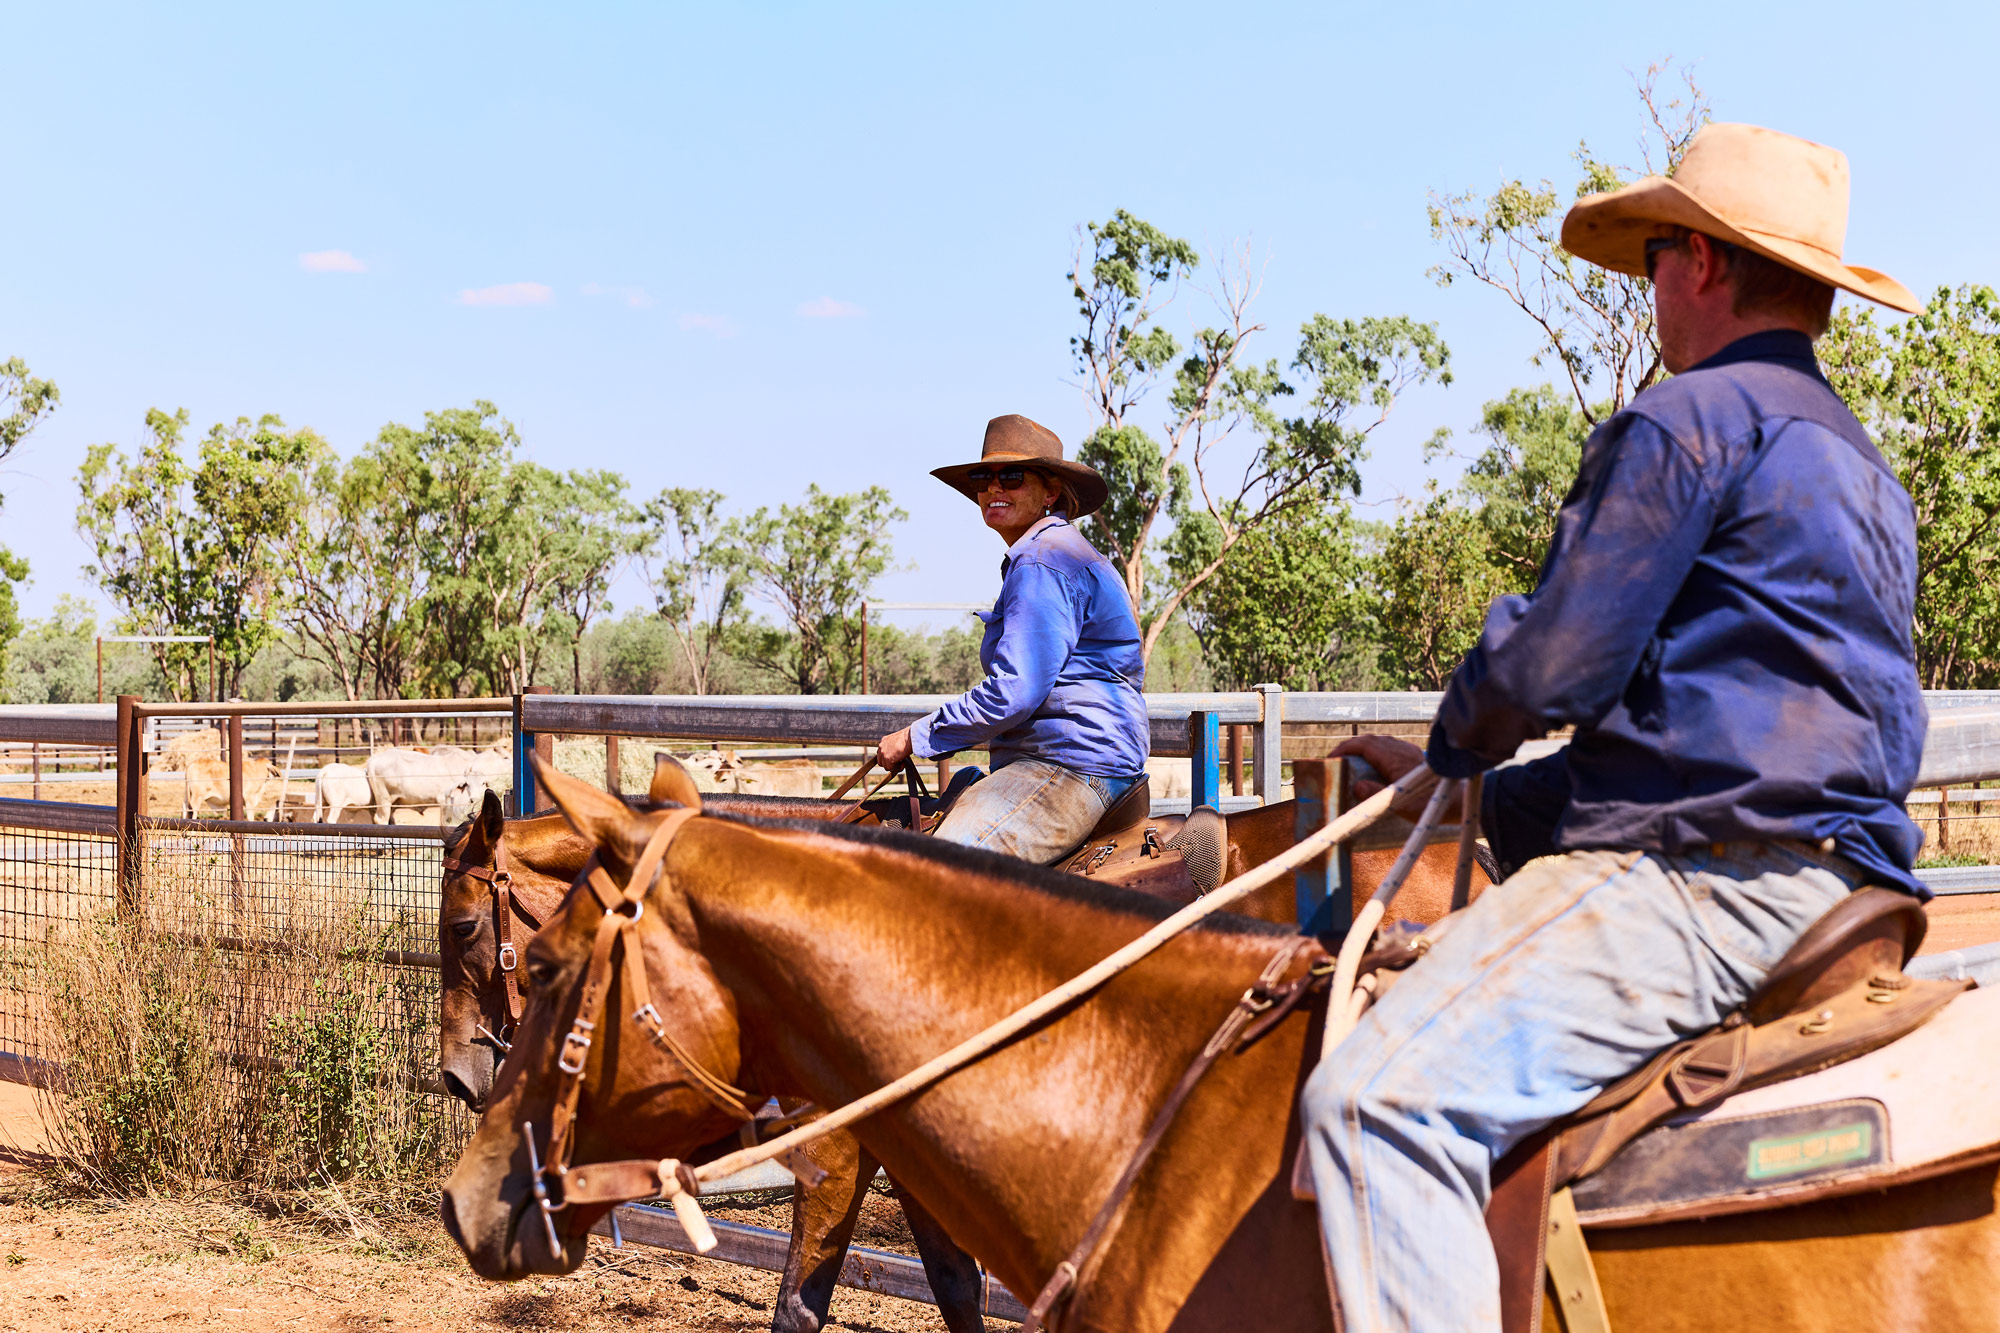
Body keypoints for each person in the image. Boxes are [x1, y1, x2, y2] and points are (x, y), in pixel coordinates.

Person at [1302, 122, 1930, 1331]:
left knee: (1371, 1106)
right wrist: (1479, 806)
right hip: (1842, 881)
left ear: (1699, 260)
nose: (1647, 285)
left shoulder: (1686, 421)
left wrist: (1455, 741)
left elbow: (1554, 665)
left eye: (1650, 256)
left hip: (1699, 886)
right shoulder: (1862, 470)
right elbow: (1703, 731)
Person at [873, 414, 1150, 863]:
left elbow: (1014, 692)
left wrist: (915, 736)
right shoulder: (1060, 553)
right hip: (1078, 760)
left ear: (1050, 493)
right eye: (983, 478)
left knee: (935, 868)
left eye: (1013, 477)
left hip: (1068, 765)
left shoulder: (1042, 562)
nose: (994, 488)